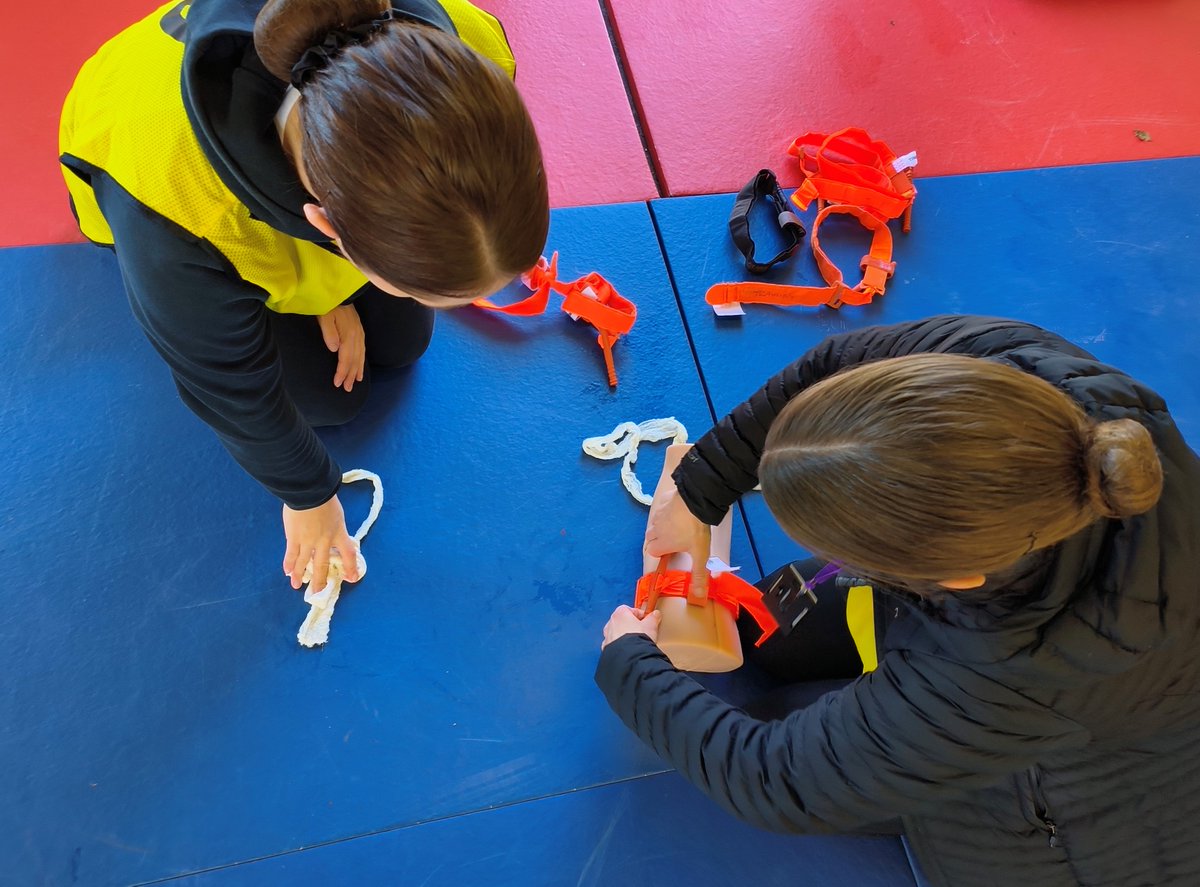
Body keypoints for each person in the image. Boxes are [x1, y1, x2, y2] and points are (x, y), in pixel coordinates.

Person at [596, 315, 1200, 887]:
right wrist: (701, 487)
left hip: (1080, 791)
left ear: (951, 577)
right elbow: (834, 369)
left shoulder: (1015, 677)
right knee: (777, 630)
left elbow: (777, 780)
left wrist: (630, 665)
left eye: (846, 551)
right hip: (1009, 632)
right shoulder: (1026, 373)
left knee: (767, 723)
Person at [59, 0, 548, 592]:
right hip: (139, 156)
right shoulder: (178, 221)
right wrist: (309, 497)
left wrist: (332, 289)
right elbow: (227, 386)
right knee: (330, 403)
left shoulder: (472, 48)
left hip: (300, 176)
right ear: (327, 229)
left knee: (402, 344)